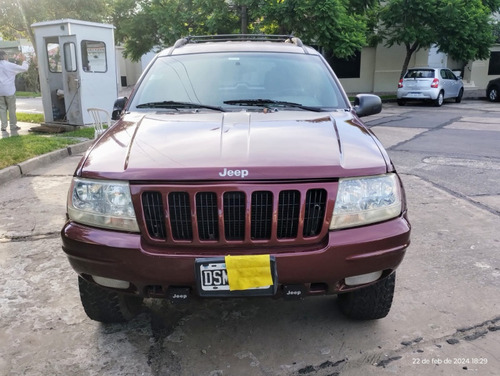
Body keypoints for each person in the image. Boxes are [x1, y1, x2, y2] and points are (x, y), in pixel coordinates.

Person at [0, 50, 29, 132]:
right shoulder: (9, 65)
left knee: (2, 109)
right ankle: (13, 125)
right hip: (9, 90)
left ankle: (3, 126)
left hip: (0, 91)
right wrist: (24, 60)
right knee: (11, 108)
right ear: (4, 56)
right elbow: (24, 68)